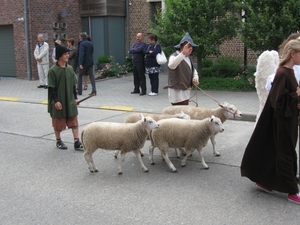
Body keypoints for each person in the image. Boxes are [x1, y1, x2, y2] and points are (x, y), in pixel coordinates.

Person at [241, 39, 300, 205]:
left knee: (276, 150)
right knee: (286, 152)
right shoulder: (283, 73)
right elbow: (277, 102)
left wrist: (296, 98)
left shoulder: (287, 72)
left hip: (288, 120)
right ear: (293, 54)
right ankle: (292, 190)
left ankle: (265, 181)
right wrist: (296, 95)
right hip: (283, 122)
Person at [47, 43, 83, 151]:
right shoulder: (53, 71)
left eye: (68, 54)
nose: (67, 56)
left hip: (70, 99)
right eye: (65, 54)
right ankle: (58, 141)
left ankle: (77, 141)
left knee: (73, 120)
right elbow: (51, 88)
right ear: (59, 56)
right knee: (58, 121)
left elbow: (73, 85)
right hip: (58, 99)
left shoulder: (70, 69)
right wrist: (56, 101)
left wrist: (75, 97)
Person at [167, 33, 199, 105]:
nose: (189, 49)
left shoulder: (189, 58)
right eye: (187, 46)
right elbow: (171, 65)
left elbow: (193, 71)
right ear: (181, 47)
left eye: (191, 47)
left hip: (186, 91)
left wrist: (195, 78)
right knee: (177, 113)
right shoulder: (174, 56)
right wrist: (183, 54)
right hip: (176, 91)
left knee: (184, 111)